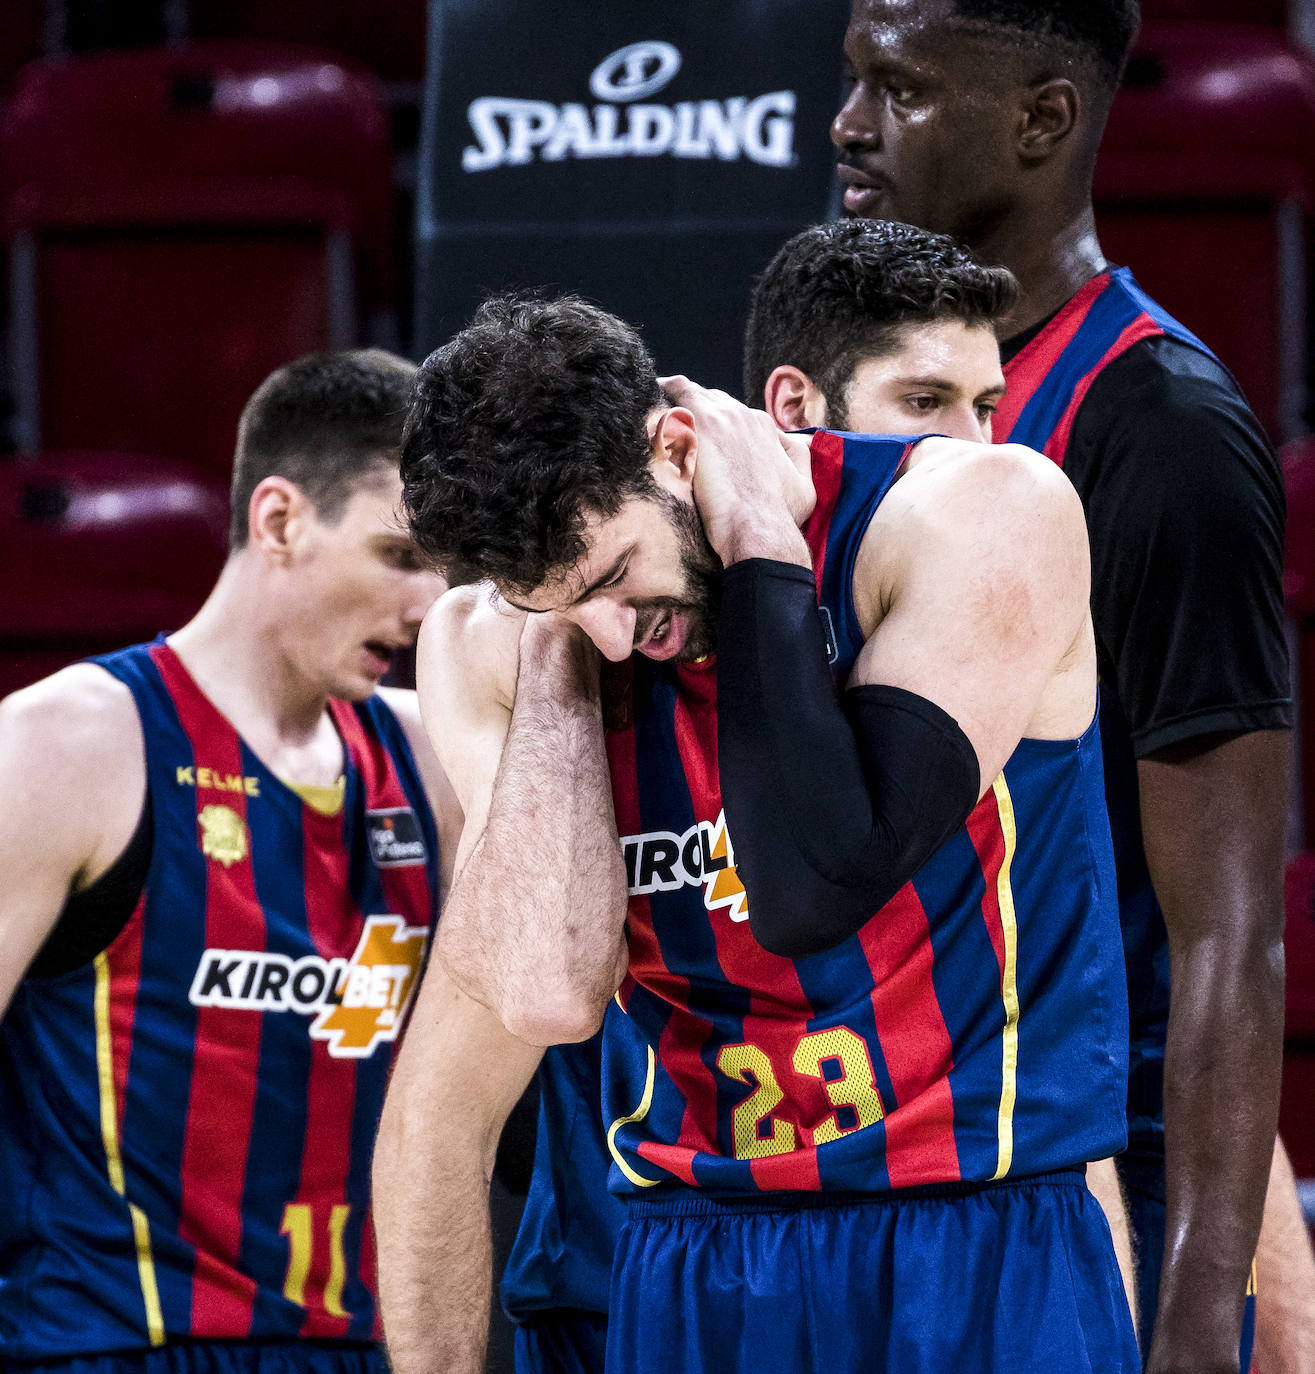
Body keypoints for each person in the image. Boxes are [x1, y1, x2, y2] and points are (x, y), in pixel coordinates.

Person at [375, 220, 1139, 1373]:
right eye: (549, 601)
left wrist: (758, 542)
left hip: (971, 1226)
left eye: (613, 579)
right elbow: (543, 990)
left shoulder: (973, 513)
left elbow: (814, 883)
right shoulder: (504, 641)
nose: (612, 640)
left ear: (676, 442)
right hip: (694, 1245)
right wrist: (549, 640)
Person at [830, 3, 1297, 1370]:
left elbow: (1226, 931)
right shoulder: (849, 388)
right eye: (850, 80)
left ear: (1041, 121)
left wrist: (1199, 1318)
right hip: (867, 1154)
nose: (848, 123)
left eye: (899, 89)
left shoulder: (1158, 428)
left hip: (1077, 1176)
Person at [0, 350, 460, 1372]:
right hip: (112, 1344)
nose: (430, 602)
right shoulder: (67, 741)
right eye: (398, 555)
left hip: (358, 1344)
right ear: (281, 519)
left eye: (446, 566)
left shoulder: (433, 758)